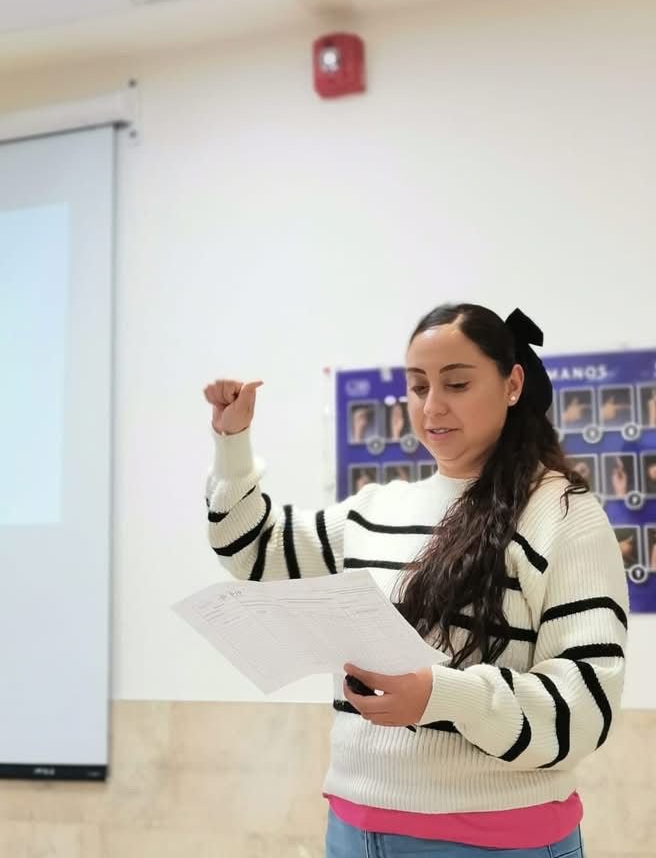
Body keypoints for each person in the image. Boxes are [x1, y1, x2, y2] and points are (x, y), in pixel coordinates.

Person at [203, 304, 628, 858]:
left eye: (457, 384)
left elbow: (586, 705)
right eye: (418, 386)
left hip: (494, 842)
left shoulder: (562, 513)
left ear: (513, 384)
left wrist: (441, 696)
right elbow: (249, 548)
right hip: (352, 831)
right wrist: (232, 441)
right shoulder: (376, 510)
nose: (432, 407)